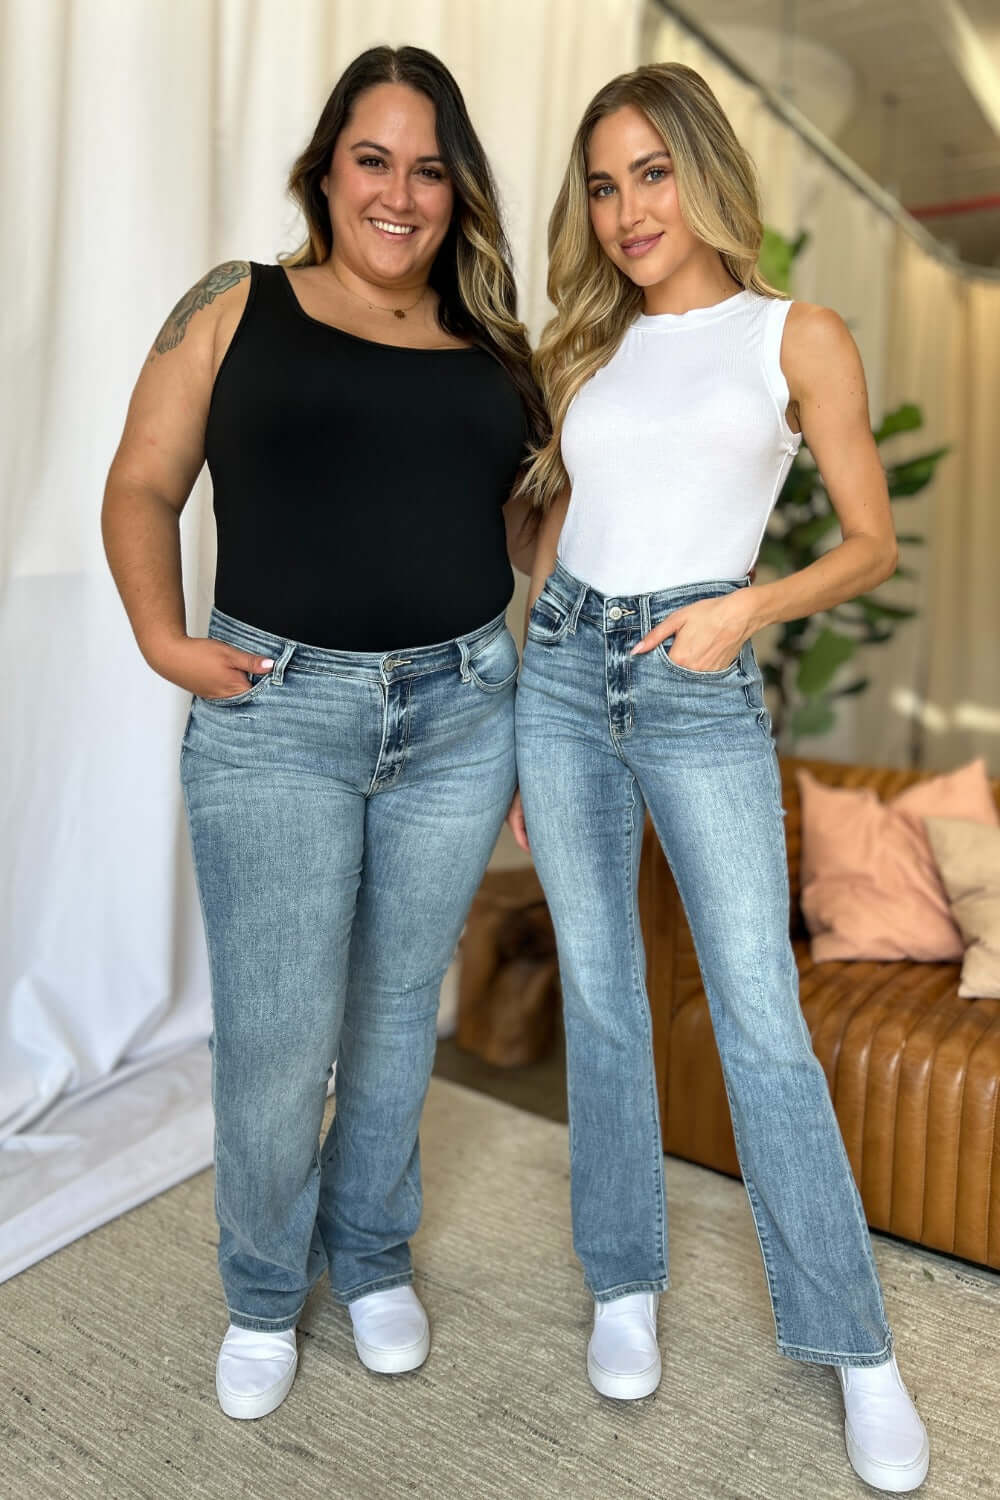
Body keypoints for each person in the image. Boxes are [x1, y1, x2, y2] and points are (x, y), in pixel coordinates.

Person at [102, 44, 544, 1421]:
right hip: (278, 713)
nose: (399, 193)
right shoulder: (239, 304)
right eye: (374, 158)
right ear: (326, 170)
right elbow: (142, 484)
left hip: (461, 715)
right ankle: (257, 1285)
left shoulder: (499, 357)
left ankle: (367, 1254)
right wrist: (166, 640)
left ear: (457, 192)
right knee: (282, 1033)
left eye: (428, 167)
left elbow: (532, 547)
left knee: (402, 1013)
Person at [511, 63, 929, 1493]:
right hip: (564, 675)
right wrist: (522, 706)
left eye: (650, 172)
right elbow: (557, 541)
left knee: (759, 1015)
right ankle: (623, 1278)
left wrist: (747, 609)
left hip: (699, 669)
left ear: (701, 168)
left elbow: (869, 543)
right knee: (604, 993)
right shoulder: (589, 352)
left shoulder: (793, 335)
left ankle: (854, 1343)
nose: (628, 209)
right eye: (605, 184)